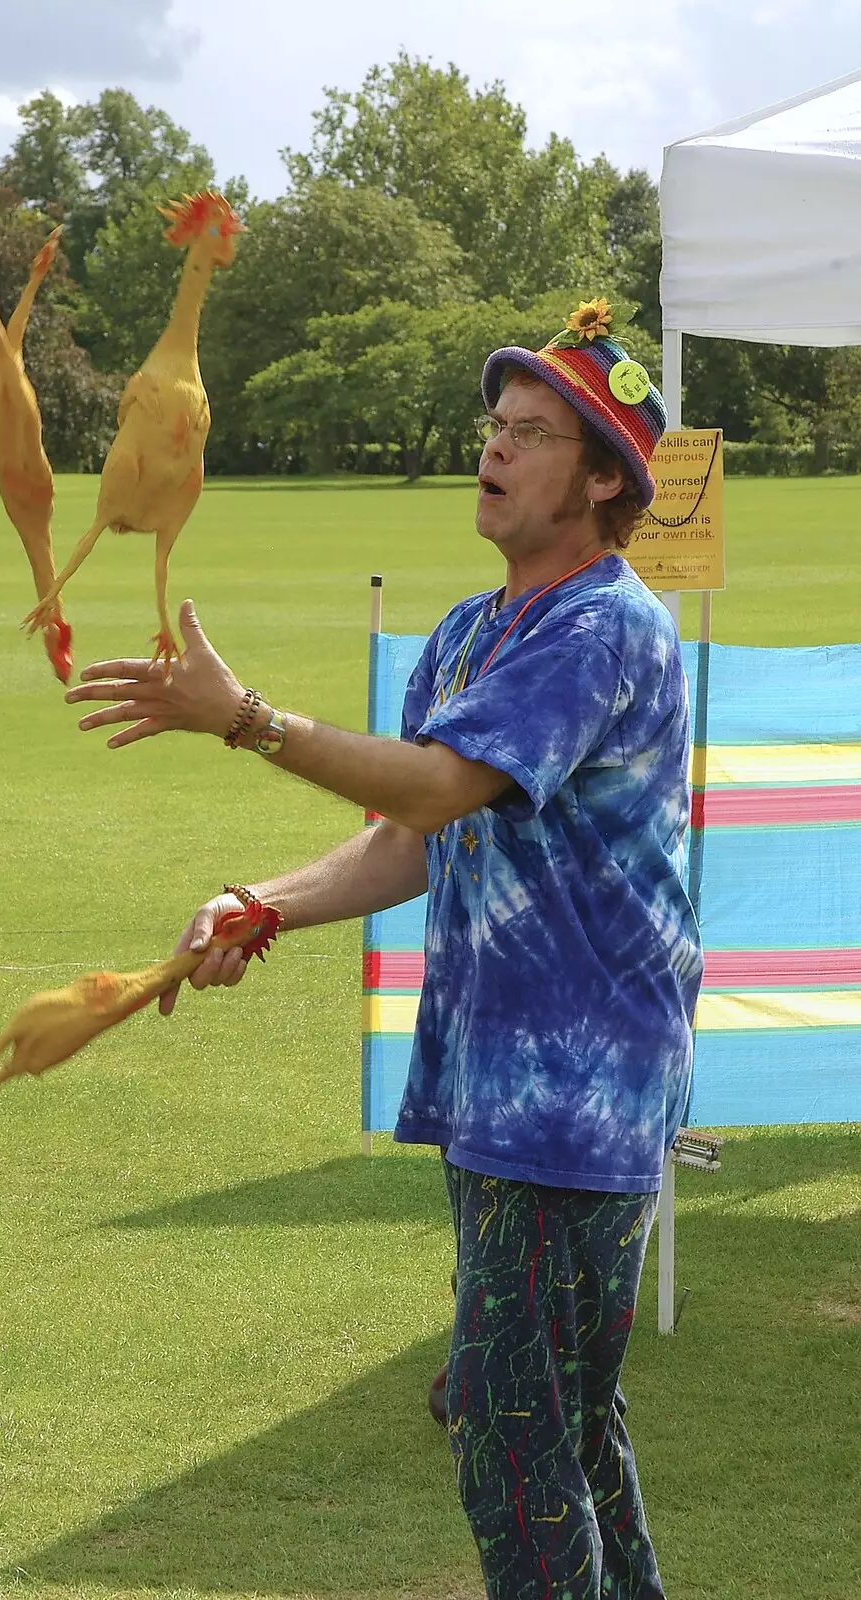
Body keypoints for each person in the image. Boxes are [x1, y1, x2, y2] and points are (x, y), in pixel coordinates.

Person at [65, 298, 703, 1600]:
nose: (495, 447)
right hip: (494, 1095)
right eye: (495, 423)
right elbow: (416, 837)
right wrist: (262, 902)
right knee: (561, 1418)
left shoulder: (605, 626)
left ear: (598, 480)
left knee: (505, 1429)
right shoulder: (475, 635)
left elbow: (436, 790)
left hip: (582, 1099)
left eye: (532, 433)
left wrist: (243, 718)